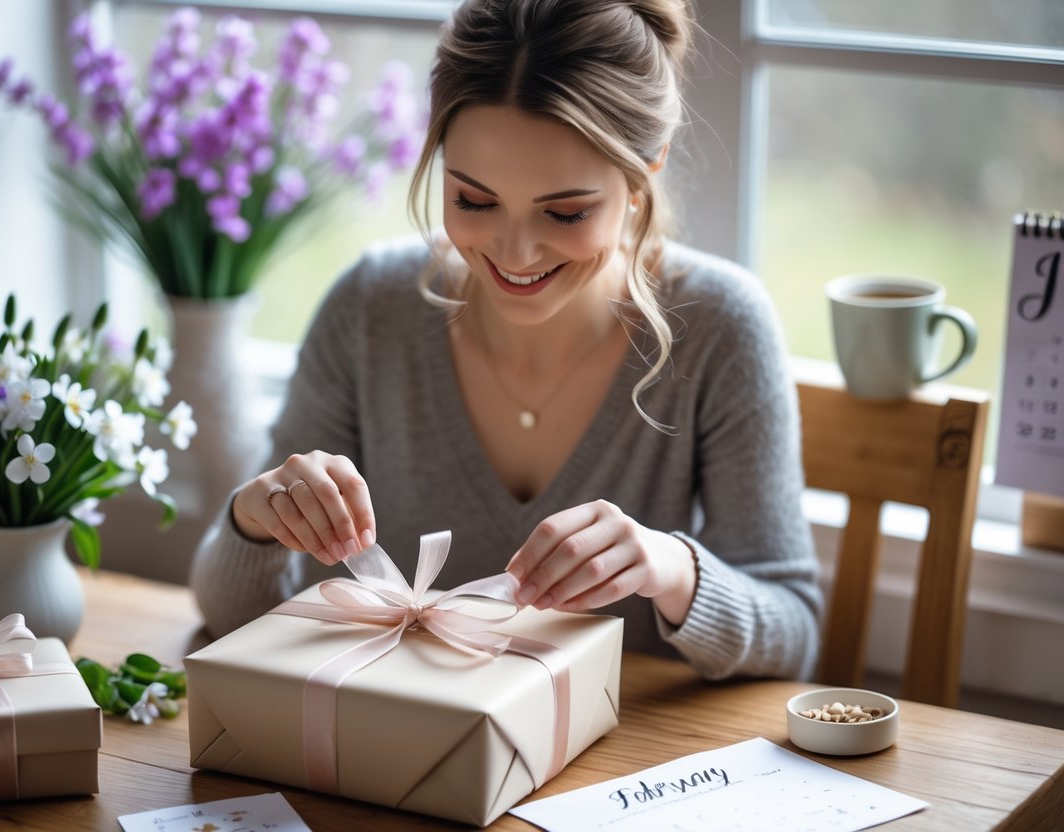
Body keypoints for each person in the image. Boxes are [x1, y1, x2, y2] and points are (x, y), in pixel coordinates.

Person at [190, 0, 821, 680]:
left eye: (566, 211)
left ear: (645, 174)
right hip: (407, 756)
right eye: (473, 200)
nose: (515, 254)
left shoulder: (720, 326)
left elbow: (793, 634)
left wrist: (670, 568)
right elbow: (230, 616)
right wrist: (254, 520)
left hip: (625, 763)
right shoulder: (371, 309)